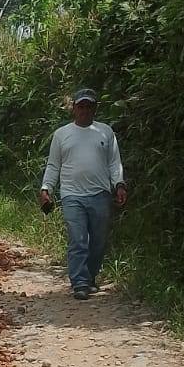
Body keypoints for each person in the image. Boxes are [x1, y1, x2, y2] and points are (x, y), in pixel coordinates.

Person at [39, 88, 127, 301]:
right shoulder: (62, 134)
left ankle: (90, 277)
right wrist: (46, 188)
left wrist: (119, 184)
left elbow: (114, 162)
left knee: (98, 240)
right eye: (81, 106)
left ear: (95, 109)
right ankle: (79, 282)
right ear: (74, 108)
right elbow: (54, 165)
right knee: (78, 239)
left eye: (89, 106)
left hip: (100, 194)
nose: (85, 110)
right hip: (72, 195)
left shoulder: (105, 132)